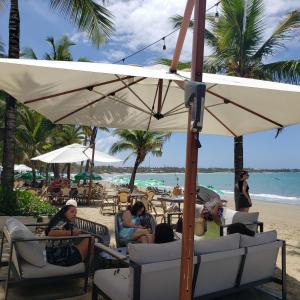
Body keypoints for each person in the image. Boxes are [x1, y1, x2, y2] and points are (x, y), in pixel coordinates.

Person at [45, 200, 92, 266]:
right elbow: (51, 233)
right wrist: (72, 233)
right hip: (61, 258)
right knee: (91, 239)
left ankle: (88, 265)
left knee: (88, 242)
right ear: (64, 213)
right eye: (72, 212)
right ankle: (88, 267)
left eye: (75, 213)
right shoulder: (62, 222)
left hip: (52, 257)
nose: (74, 215)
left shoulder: (59, 220)